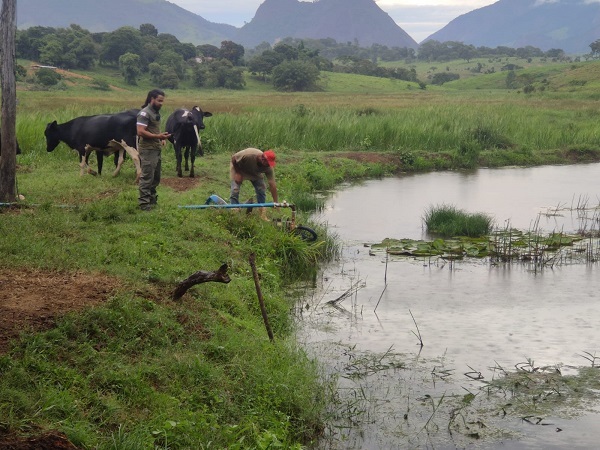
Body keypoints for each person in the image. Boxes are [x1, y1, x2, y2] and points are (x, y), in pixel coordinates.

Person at [137, 89, 170, 211]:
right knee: (147, 177)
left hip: (155, 148)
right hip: (147, 149)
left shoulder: (155, 113)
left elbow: (152, 128)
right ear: (152, 99)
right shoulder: (144, 113)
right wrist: (158, 136)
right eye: (159, 100)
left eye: (162, 101)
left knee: (156, 177)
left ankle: (151, 200)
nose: (161, 103)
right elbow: (140, 131)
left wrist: (161, 138)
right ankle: (144, 204)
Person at [230, 148, 278, 218]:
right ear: (263, 159)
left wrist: (276, 203)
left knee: (261, 188)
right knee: (235, 189)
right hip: (240, 168)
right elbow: (234, 158)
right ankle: (234, 210)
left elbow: (272, 184)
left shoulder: (268, 167)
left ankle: (262, 211)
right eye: (267, 163)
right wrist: (238, 173)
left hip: (254, 172)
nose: (268, 165)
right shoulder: (249, 155)